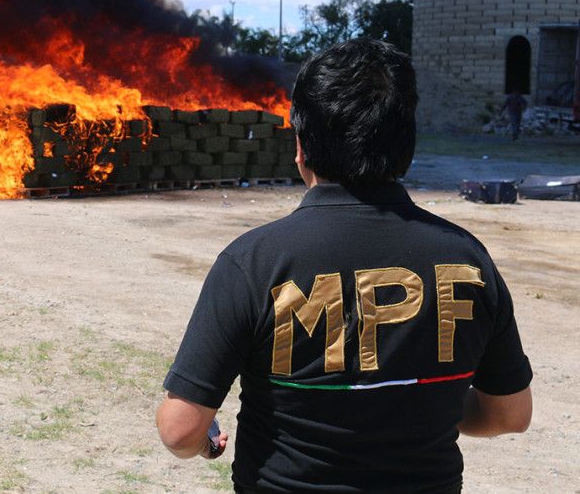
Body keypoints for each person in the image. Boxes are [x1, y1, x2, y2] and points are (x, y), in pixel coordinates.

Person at [156, 39, 533, 492]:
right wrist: (431, 408)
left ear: (300, 145)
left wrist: (205, 442)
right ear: (405, 143)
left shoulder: (254, 262)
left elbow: (180, 430)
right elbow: (509, 414)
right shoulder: (468, 260)